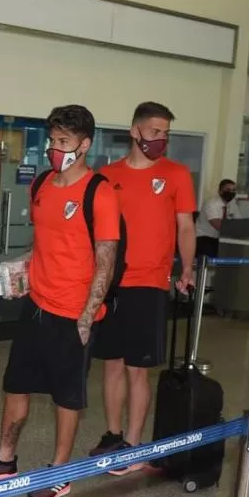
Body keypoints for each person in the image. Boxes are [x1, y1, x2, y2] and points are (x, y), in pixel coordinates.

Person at [0, 104, 120, 497]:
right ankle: (4, 459)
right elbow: (46, 243)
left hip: (73, 315)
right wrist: (23, 268)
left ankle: (61, 470)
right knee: (15, 386)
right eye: (53, 140)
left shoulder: (98, 192)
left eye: (64, 142)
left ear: (85, 144)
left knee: (66, 398)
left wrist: (87, 316)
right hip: (36, 306)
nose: (55, 149)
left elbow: (106, 259)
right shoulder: (42, 185)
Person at [88, 102, 197, 471]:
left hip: (150, 282)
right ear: (134, 131)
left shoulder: (177, 174)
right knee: (112, 365)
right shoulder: (106, 175)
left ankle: (134, 445)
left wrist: (187, 268)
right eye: (154, 131)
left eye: (165, 132)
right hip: (113, 282)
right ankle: (113, 434)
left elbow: (185, 226)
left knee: (138, 368)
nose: (160, 138)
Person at [195, 179, 238, 258]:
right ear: (220, 191)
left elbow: (239, 221)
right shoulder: (211, 203)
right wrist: (235, 228)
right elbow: (218, 225)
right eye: (228, 190)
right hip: (204, 237)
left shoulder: (232, 205)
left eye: (233, 190)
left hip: (221, 239)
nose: (231, 192)